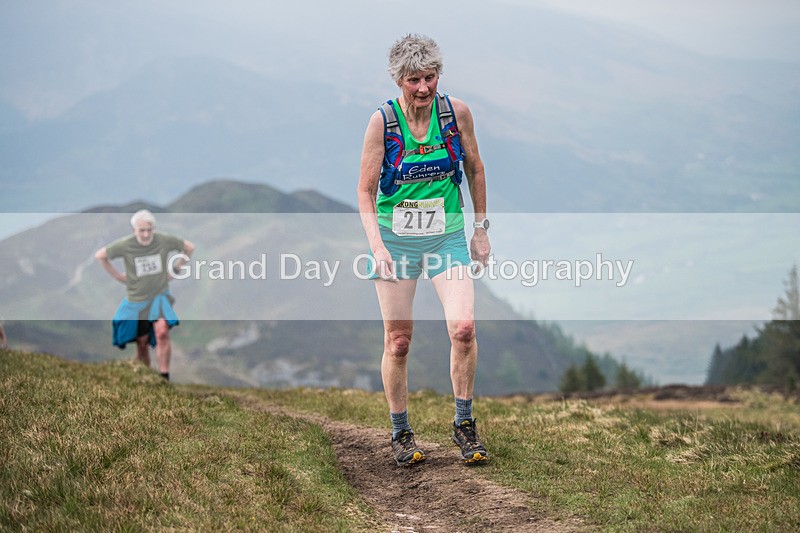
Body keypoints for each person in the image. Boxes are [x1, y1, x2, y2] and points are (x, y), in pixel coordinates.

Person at [357, 34, 491, 466]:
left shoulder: (456, 114)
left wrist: (480, 229)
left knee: (464, 329)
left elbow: (474, 168)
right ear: (398, 79)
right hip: (395, 242)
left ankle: (464, 425)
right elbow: (364, 191)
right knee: (398, 341)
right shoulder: (383, 122)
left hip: (447, 237)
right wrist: (377, 247)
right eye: (414, 79)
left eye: (430, 78)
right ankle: (400, 432)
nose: (423, 88)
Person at [95, 210, 194, 381]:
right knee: (142, 343)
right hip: (137, 300)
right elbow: (101, 256)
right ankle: (146, 376)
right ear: (135, 230)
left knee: (162, 331)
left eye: (149, 230)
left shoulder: (163, 240)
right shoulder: (125, 245)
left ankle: (164, 377)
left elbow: (189, 247)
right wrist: (118, 276)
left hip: (159, 296)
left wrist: (176, 269)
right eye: (142, 230)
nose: (146, 234)